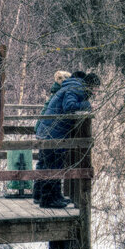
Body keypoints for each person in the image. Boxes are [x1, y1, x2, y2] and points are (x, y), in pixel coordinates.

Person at [35, 70, 95, 208]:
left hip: (47, 131)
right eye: (95, 89)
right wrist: (88, 105)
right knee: (54, 165)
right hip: (53, 134)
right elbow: (69, 107)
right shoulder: (75, 89)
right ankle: (49, 200)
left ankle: (43, 196)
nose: (95, 93)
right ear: (90, 85)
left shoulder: (69, 87)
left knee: (46, 164)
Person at [33, 71, 71, 204]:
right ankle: (48, 196)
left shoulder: (54, 92)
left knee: (42, 163)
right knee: (51, 165)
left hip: (42, 130)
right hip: (49, 133)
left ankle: (38, 194)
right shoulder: (60, 93)